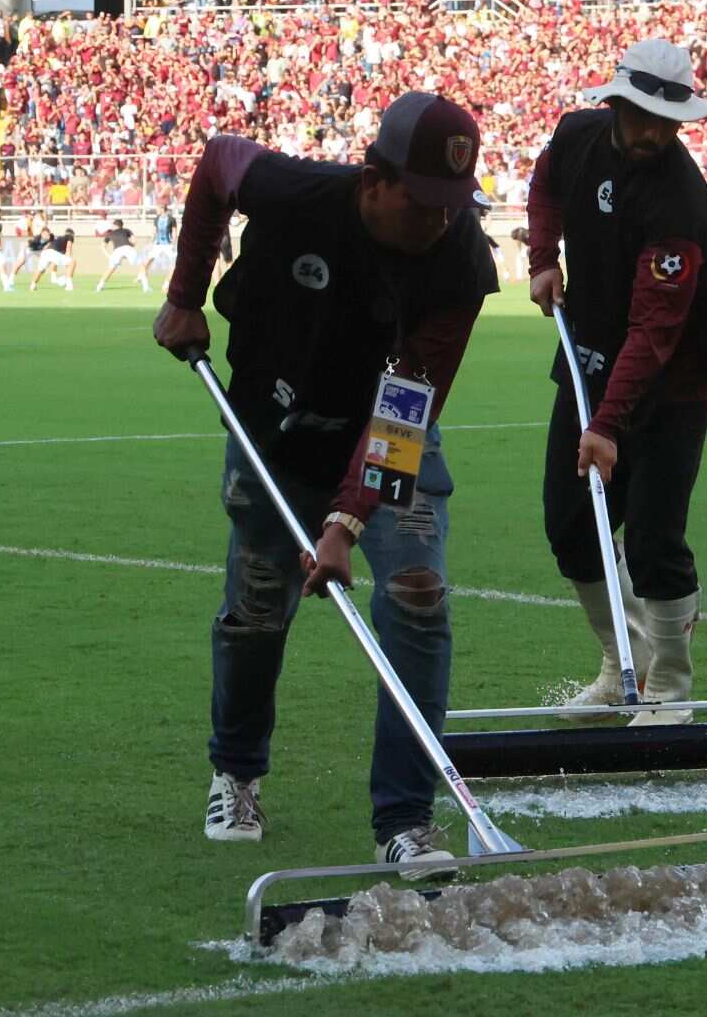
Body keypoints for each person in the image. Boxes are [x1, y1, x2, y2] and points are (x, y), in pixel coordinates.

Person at [149, 92, 496, 877]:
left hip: (384, 428)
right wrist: (184, 297)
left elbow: (410, 402)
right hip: (270, 429)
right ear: (374, 179)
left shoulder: (460, 259)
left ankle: (406, 821)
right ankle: (236, 773)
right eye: (423, 201)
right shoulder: (291, 189)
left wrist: (346, 519)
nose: (439, 220)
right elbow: (212, 164)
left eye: (454, 205)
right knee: (258, 604)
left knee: (415, 592)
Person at [525, 38, 707, 727]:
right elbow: (544, 180)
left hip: (671, 383)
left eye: (666, 120)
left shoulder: (679, 197)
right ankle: (624, 666)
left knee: (652, 538)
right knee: (570, 524)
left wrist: (606, 427)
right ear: (614, 103)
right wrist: (541, 257)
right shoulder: (579, 135)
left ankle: (670, 688)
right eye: (640, 114)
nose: (652, 131)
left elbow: (655, 332)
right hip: (588, 356)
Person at [134, 208, 176, 294]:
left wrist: (173, 243)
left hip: (168, 245)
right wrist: (151, 242)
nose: (157, 210)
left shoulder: (171, 219)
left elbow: (174, 232)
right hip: (157, 245)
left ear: (163, 209)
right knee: (146, 263)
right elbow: (154, 232)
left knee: (175, 265)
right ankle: (146, 287)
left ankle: (165, 286)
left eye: (158, 208)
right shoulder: (156, 219)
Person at [95, 217, 139, 291]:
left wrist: (108, 256)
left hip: (117, 250)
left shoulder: (110, 233)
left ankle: (100, 285)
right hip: (128, 247)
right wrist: (130, 247)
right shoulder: (127, 230)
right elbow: (134, 241)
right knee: (141, 264)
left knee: (111, 268)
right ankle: (145, 285)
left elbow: (103, 246)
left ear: (115, 225)